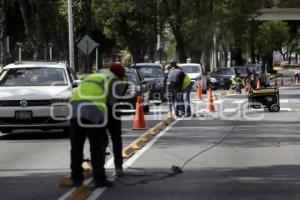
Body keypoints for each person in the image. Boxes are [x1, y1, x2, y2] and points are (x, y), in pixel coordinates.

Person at [69, 63, 127, 188]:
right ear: (120, 75)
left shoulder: (95, 75)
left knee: (76, 147)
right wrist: (109, 127)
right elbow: (111, 106)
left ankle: (76, 178)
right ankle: (99, 179)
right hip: (92, 110)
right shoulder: (115, 80)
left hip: (74, 108)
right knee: (96, 146)